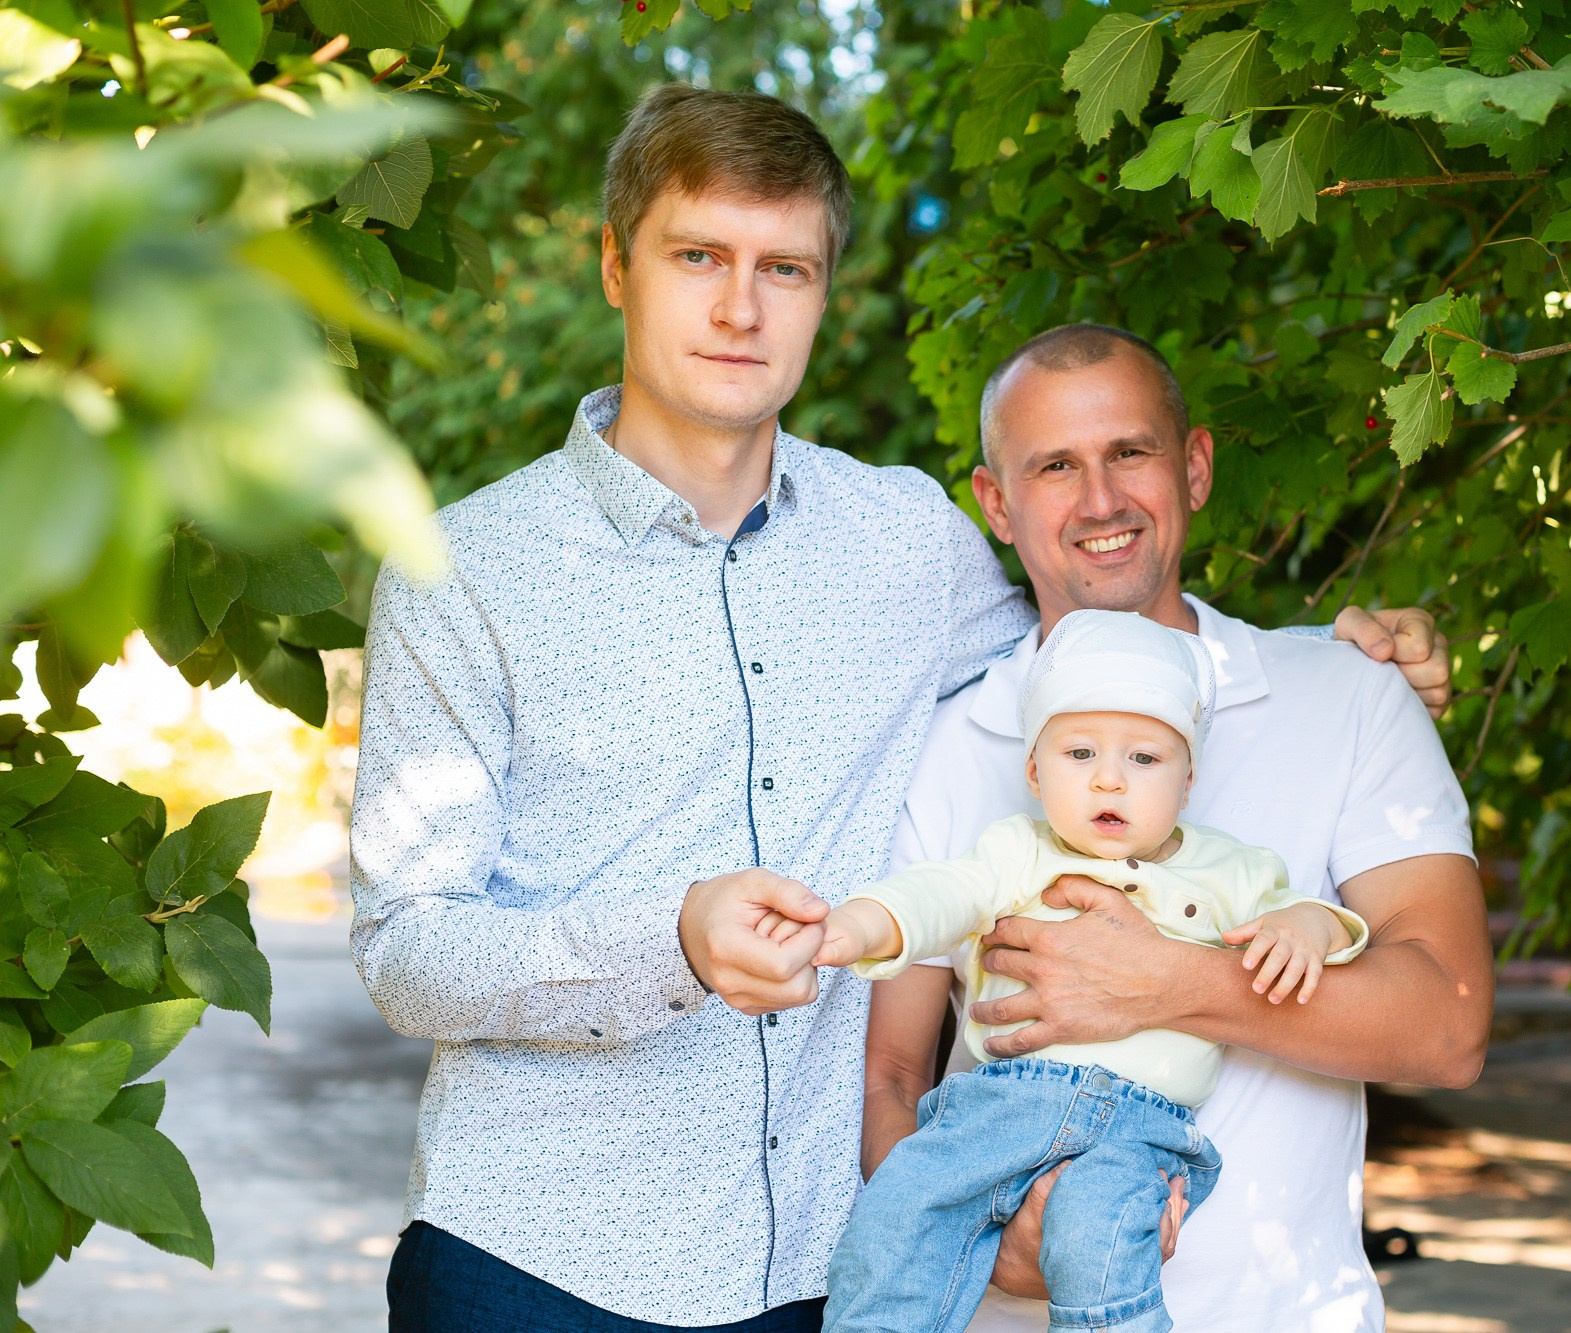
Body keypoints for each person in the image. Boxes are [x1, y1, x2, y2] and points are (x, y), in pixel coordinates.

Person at [346, 86, 1449, 1331]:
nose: (738, 307)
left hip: (838, 1269)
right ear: (615, 265)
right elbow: (405, 948)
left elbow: (1099, 629)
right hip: (535, 1261)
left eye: (785, 267)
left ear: (825, 291)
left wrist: (1337, 651)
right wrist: (670, 941)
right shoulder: (464, 566)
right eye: (696, 255)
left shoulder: (905, 539)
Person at [861, 323, 1492, 1333]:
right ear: (995, 503)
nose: (1100, 500)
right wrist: (993, 1239)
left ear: (1193, 467)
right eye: (1054, 465)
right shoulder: (951, 741)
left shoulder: (1346, 694)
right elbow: (891, 1075)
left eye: (1130, 453)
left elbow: (1449, 1026)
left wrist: (1171, 982)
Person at [815, 610, 1369, 1333]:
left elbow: (1318, 919)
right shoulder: (1017, 851)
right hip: (999, 1108)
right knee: (901, 1205)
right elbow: (944, 892)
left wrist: (1308, 926)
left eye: (1144, 759)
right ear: (1035, 772)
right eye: (1080, 753)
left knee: (1096, 1238)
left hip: (1139, 1127)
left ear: (1189, 778)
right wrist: (866, 921)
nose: (1110, 778)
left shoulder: (1234, 868)